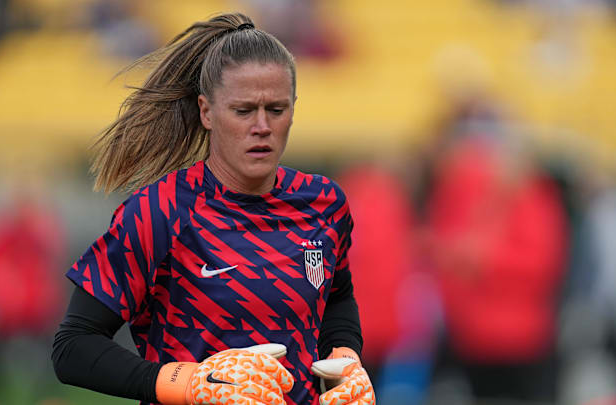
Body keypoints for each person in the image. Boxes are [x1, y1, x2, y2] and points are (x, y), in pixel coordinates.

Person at [51, 12, 374, 405]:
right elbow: (73, 346)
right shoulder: (160, 210)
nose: (262, 126)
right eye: (243, 111)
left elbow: (337, 297)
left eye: (276, 109)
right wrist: (187, 384)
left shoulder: (323, 204)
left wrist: (345, 360)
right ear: (206, 111)